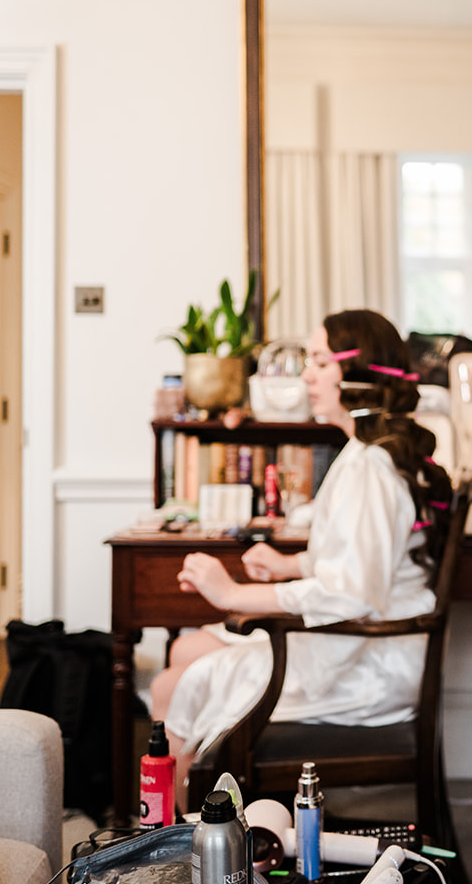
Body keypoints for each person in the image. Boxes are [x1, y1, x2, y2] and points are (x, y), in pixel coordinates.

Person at [149, 309, 452, 798]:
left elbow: (352, 593)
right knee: (186, 651)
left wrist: (237, 594)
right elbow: (366, 561)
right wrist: (290, 566)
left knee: (171, 686)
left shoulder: (370, 468)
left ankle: (181, 846)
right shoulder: (362, 454)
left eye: (319, 362)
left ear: (357, 375)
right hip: (355, 640)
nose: (306, 375)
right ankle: (182, 826)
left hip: (367, 656)